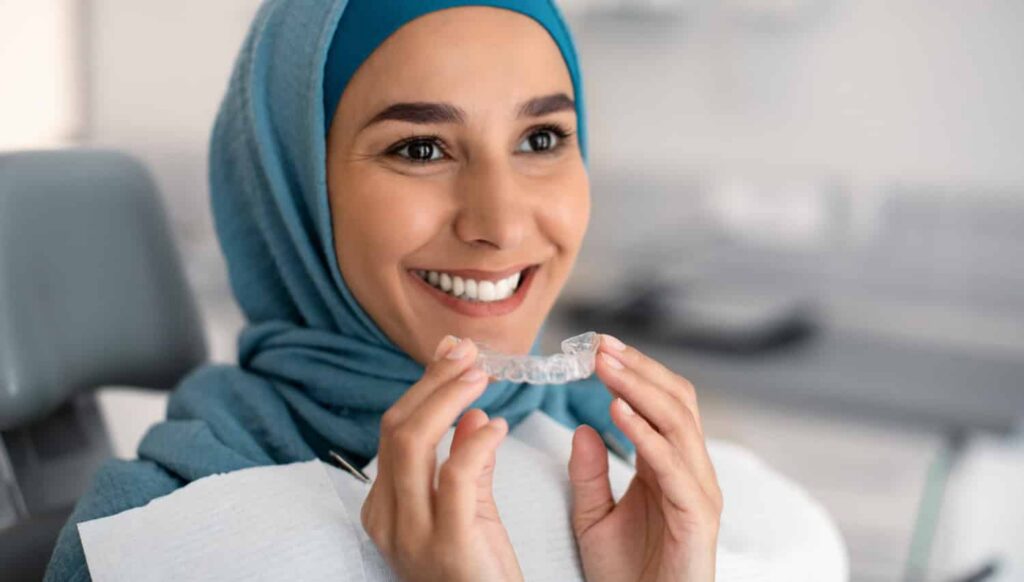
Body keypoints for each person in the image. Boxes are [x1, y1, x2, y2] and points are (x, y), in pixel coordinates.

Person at [44, 1, 722, 580]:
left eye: (540, 137)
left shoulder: (642, 469)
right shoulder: (150, 538)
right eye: (421, 149)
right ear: (294, 192)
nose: (502, 224)